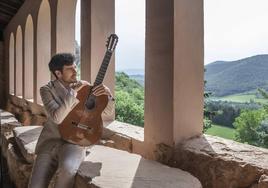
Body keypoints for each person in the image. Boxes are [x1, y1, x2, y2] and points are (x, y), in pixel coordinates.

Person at [28, 53, 114, 188]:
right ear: (58, 73)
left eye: (75, 67)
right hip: (50, 143)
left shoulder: (85, 86)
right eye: (70, 69)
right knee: (35, 185)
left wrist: (108, 94)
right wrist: (72, 94)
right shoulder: (47, 90)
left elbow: (108, 112)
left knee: (68, 169)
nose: (75, 71)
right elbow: (57, 118)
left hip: (75, 142)